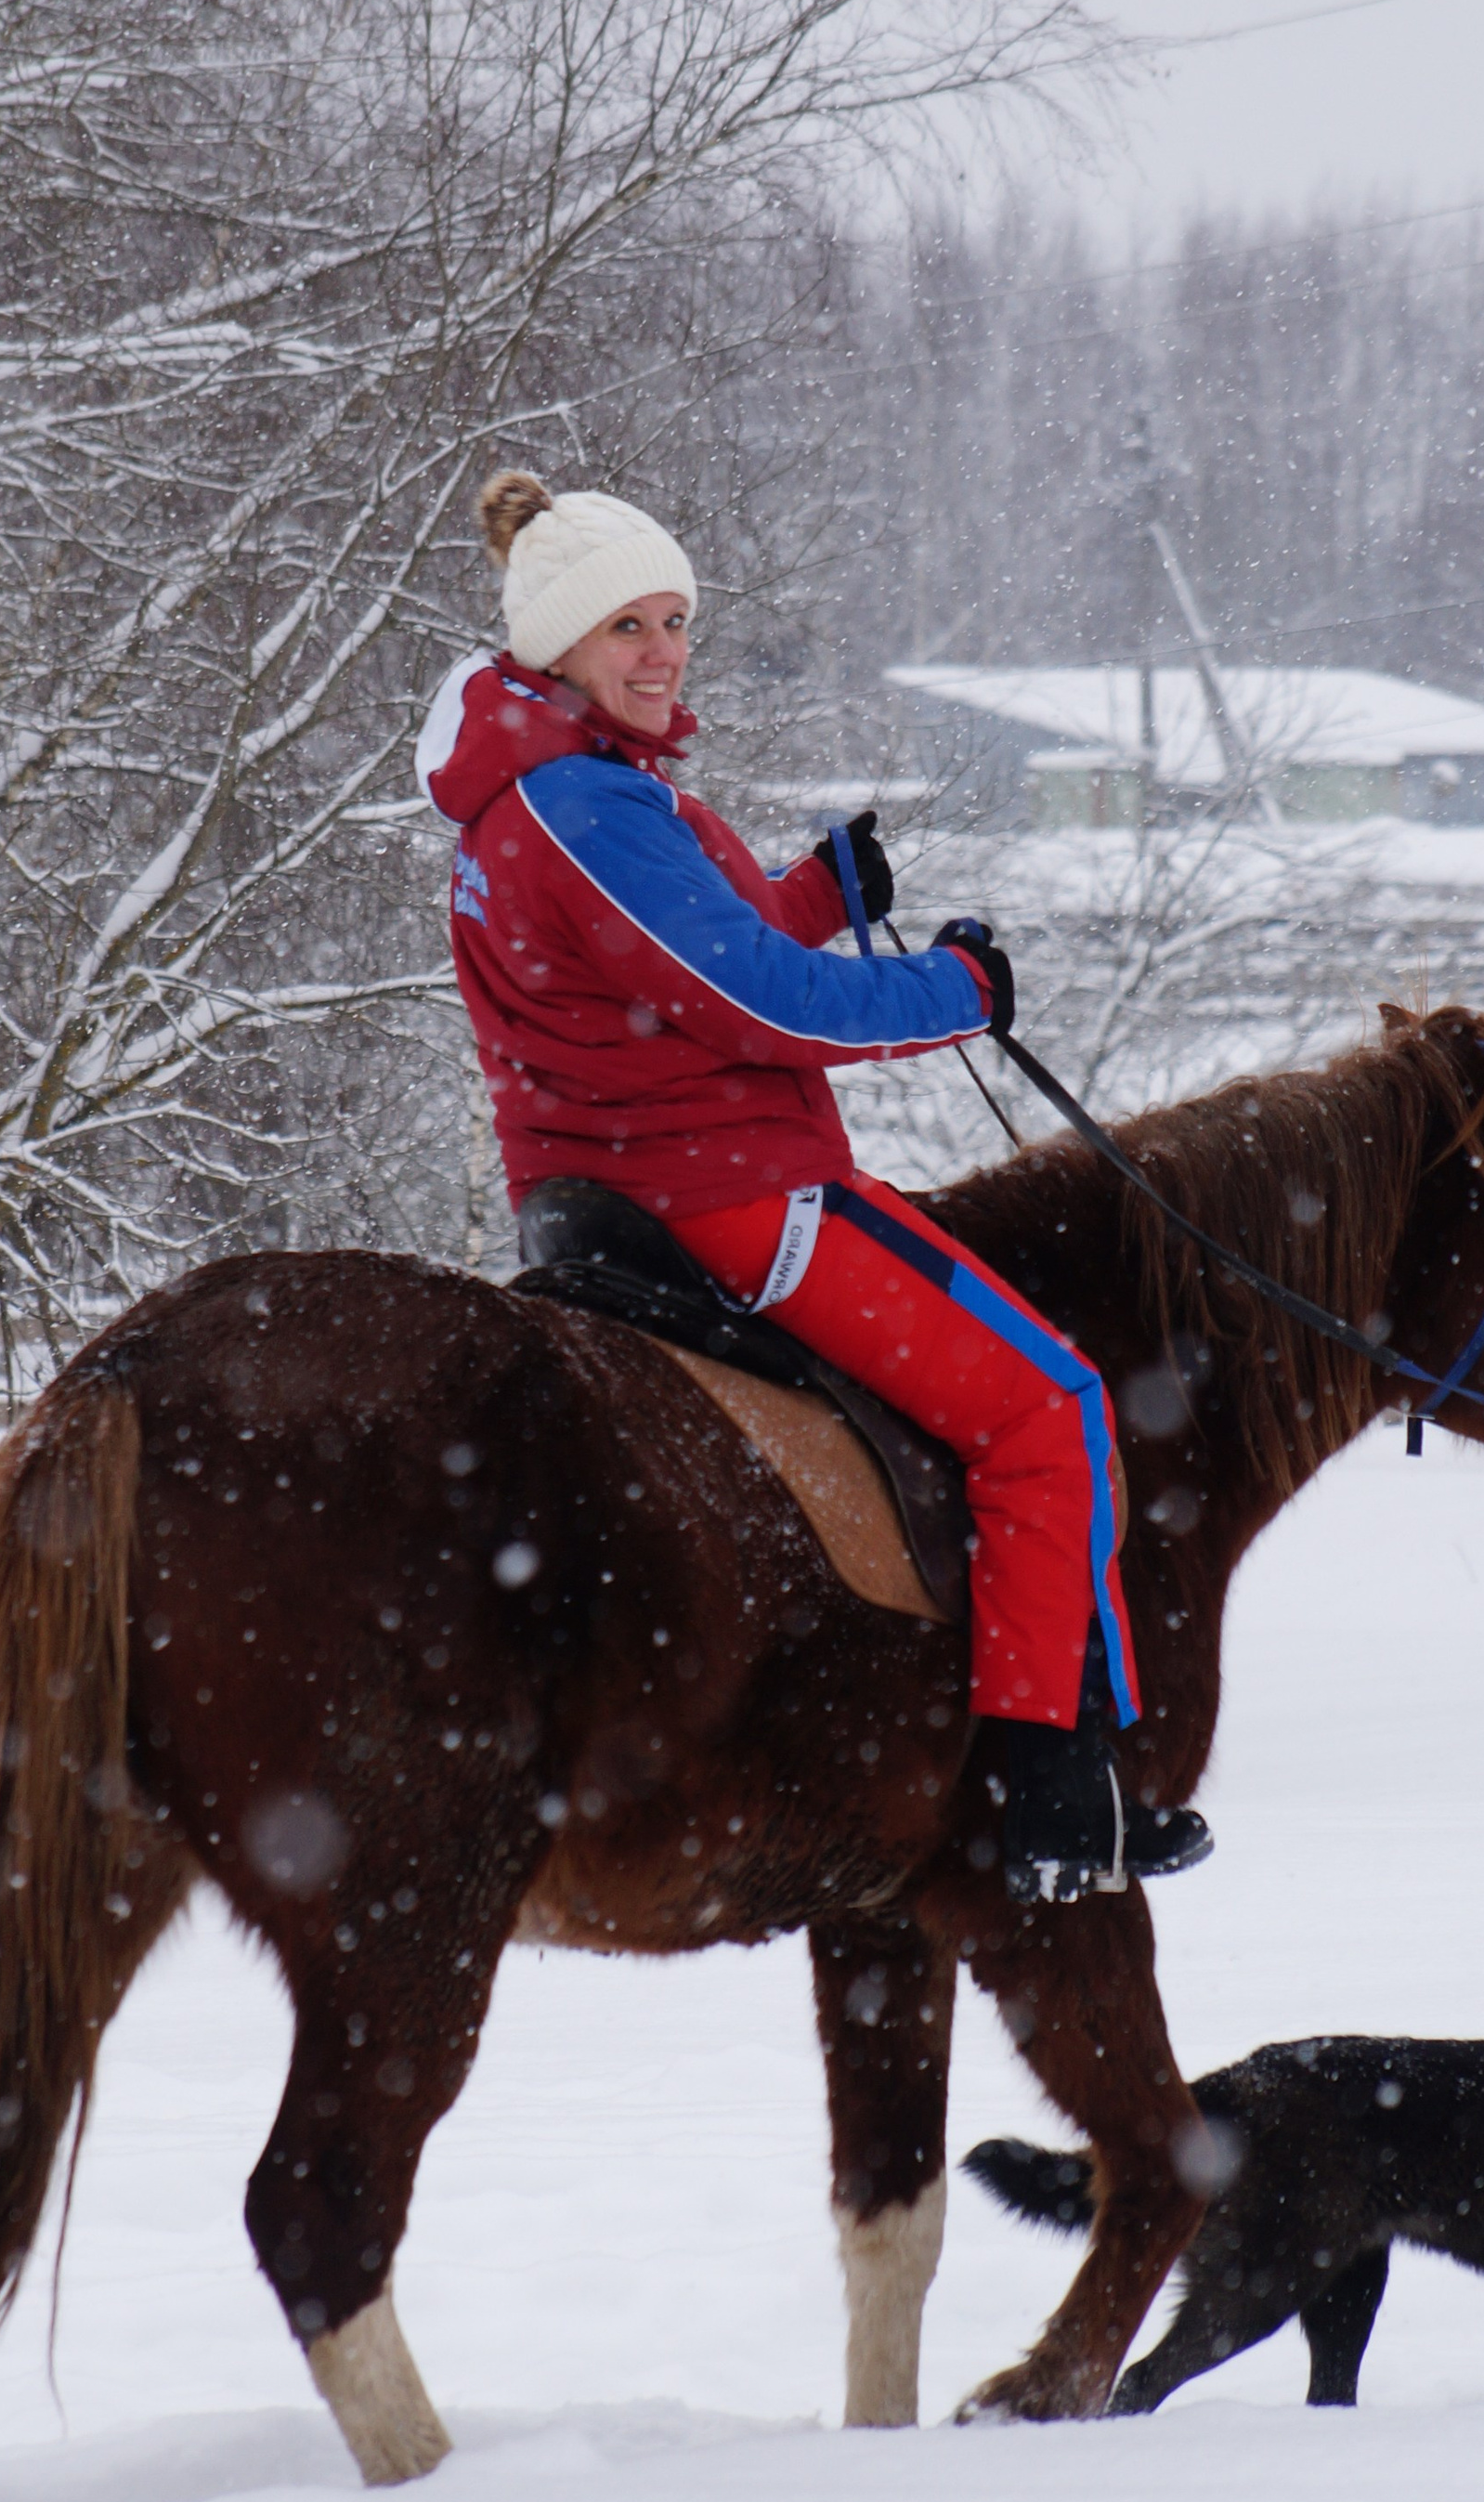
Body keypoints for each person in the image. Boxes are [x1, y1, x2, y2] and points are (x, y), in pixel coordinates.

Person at [419, 469, 1204, 1906]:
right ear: (554, 645)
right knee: (1054, 1408)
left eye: (675, 620)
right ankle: (1053, 1791)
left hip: (619, 1181)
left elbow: (685, 952)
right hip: (726, 1197)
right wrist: (952, 988)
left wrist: (821, 888)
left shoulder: (550, 790)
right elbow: (757, 1004)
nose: (662, 650)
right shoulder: (585, 802)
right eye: (627, 627)